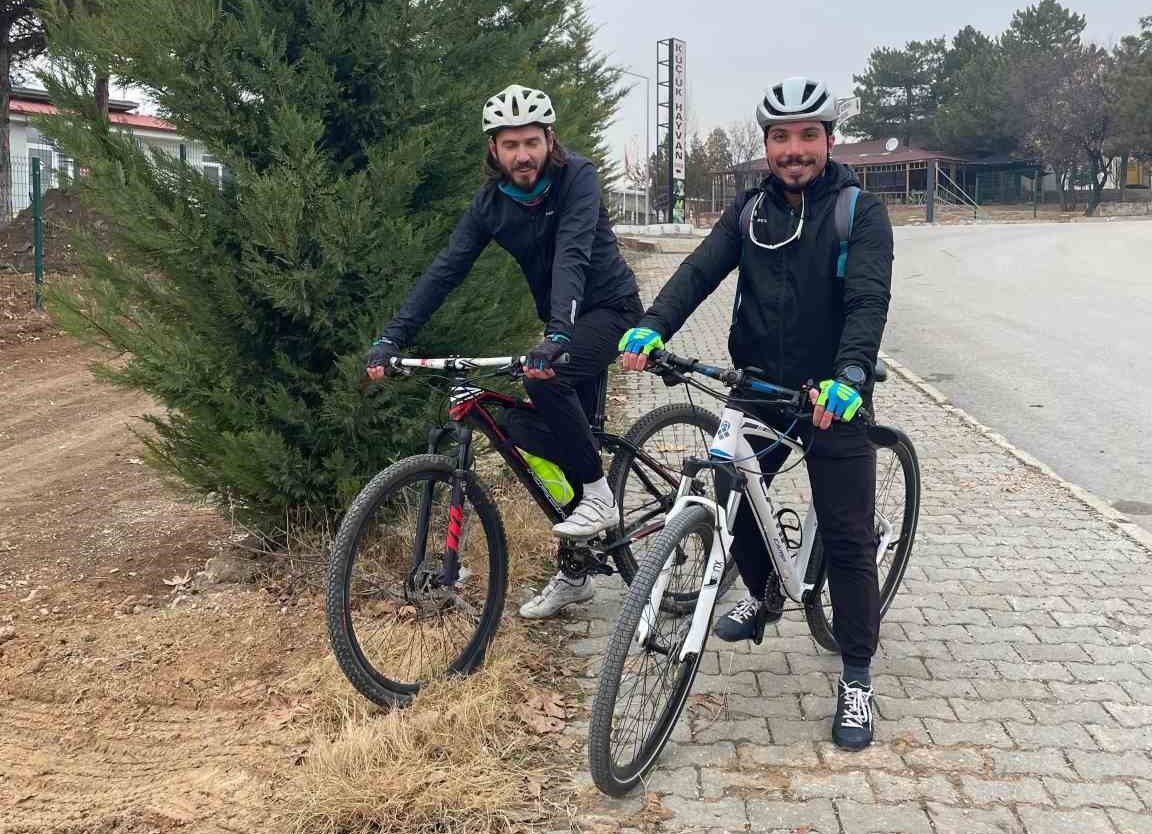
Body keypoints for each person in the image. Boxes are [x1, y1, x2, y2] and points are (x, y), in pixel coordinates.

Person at [619, 76, 893, 750]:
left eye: (807, 136)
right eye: (781, 137)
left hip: (832, 396)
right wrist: (654, 325)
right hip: (760, 387)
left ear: (828, 140)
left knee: (850, 538)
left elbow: (867, 302)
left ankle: (856, 677)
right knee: (728, 488)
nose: (794, 149)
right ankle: (767, 592)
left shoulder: (860, 212)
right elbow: (698, 272)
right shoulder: (749, 212)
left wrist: (851, 376)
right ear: (766, 144)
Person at [367, 84, 643, 618]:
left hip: (608, 310)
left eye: (532, 142)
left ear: (550, 140)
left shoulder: (577, 179)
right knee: (527, 427)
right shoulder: (491, 204)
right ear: (494, 149)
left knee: (544, 383)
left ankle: (600, 497)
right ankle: (577, 570)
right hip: (560, 325)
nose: (523, 155)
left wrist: (560, 332)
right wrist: (392, 336)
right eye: (510, 144)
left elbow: (574, 252)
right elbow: (446, 269)